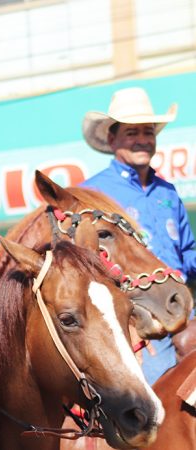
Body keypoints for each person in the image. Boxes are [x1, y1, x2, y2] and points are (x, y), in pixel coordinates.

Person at [81, 86, 196, 383]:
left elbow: (188, 252)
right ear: (112, 139)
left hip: (182, 309)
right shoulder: (93, 193)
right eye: (132, 133)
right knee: (159, 398)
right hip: (137, 320)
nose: (142, 140)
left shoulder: (166, 191)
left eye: (148, 132)